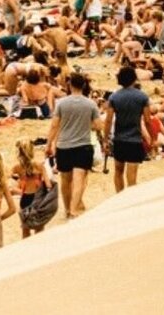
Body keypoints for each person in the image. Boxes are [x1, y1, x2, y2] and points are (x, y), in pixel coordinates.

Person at [48, 71, 98, 220]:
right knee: (79, 179)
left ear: (69, 85)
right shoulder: (90, 104)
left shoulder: (61, 103)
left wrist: (48, 144)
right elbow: (98, 125)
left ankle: (67, 209)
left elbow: (54, 126)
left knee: (65, 180)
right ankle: (74, 208)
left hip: (64, 145)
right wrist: (86, 124)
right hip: (83, 145)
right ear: (83, 85)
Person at [106, 65, 152, 194]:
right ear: (134, 79)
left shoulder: (114, 97)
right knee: (132, 176)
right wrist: (151, 138)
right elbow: (147, 120)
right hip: (135, 140)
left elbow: (108, 120)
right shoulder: (142, 97)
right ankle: (131, 201)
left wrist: (105, 139)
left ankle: (119, 197)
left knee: (118, 172)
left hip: (119, 139)